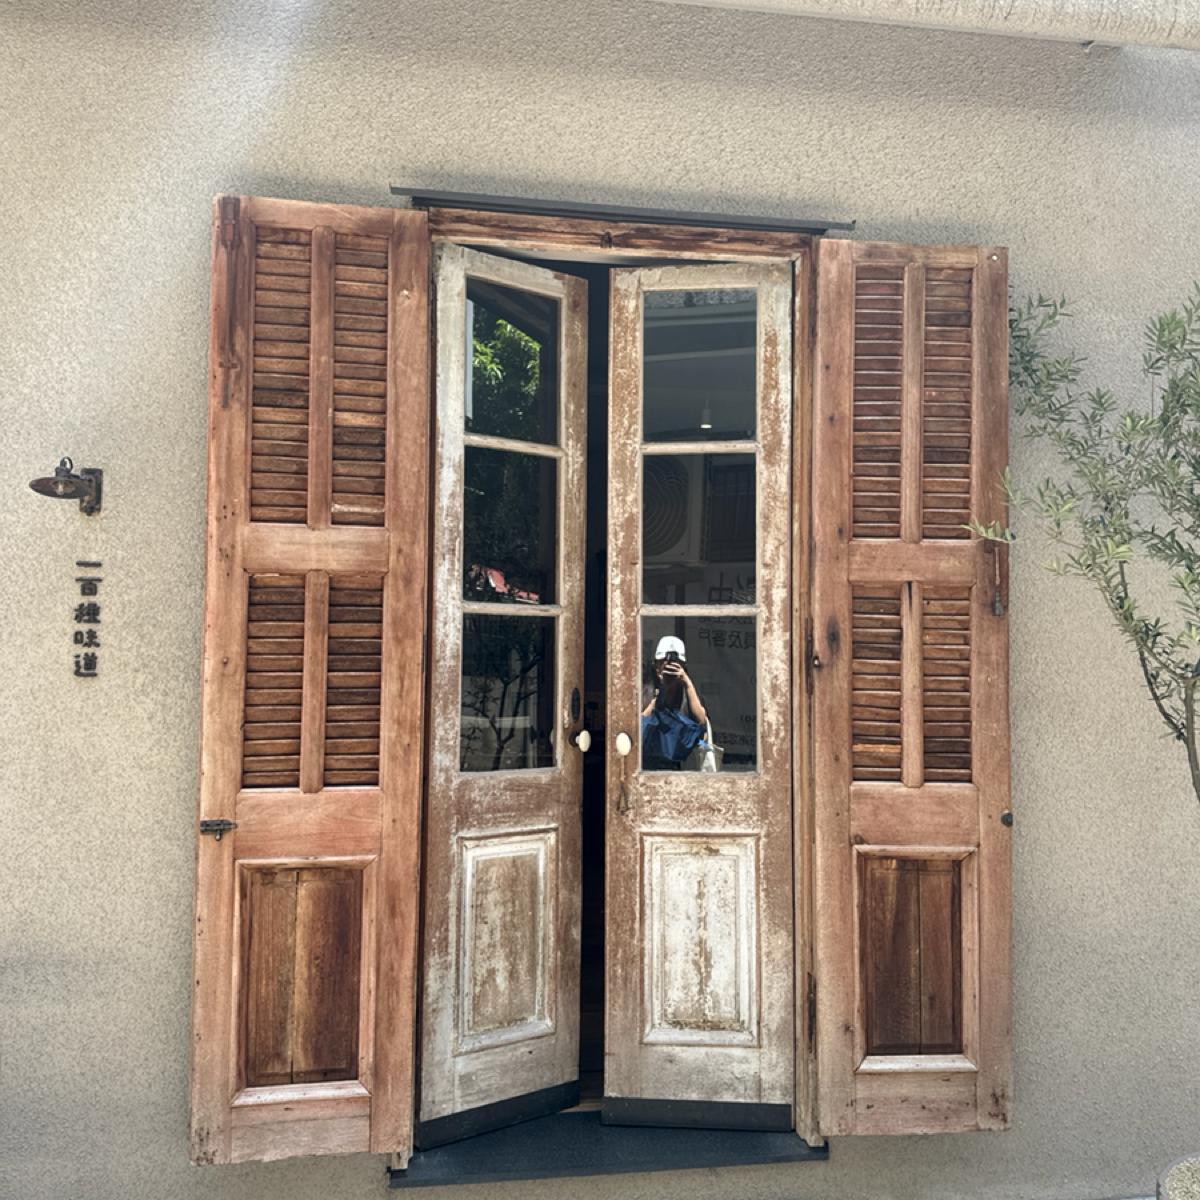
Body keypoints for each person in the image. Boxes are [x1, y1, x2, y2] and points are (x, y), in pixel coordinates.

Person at [641, 636, 709, 770]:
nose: (667, 667)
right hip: (648, 766)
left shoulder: (688, 695)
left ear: (683, 666)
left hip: (682, 767)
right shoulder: (645, 692)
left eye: (675, 663)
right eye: (662, 662)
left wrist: (687, 682)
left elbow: (702, 723)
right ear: (655, 665)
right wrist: (663, 690)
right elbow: (638, 728)